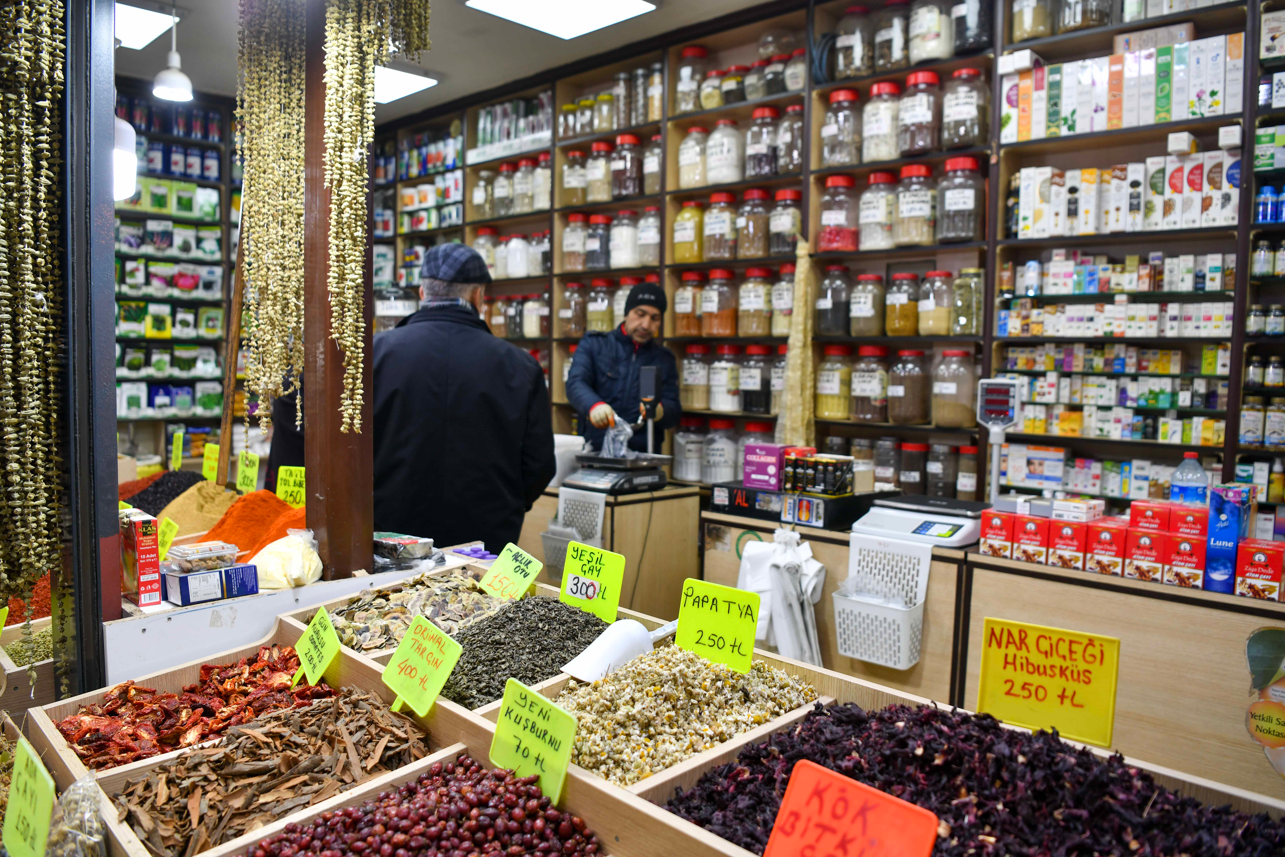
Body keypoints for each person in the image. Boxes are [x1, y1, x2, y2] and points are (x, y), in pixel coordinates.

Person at [372, 244, 555, 552]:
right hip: (485, 539)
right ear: (478, 297)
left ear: (422, 293)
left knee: (389, 603)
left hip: (390, 538)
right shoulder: (520, 366)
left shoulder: (374, 355)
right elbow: (539, 465)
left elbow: (348, 450)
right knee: (483, 602)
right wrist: (505, 505)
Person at [565, 280, 680, 452]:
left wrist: (661, 412)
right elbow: (576, 383)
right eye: (640, 314)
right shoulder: (595, 345)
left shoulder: (664, 359)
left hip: (643, 455)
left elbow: (674, 410)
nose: (646, 325)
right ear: (626, 313)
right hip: (596, 449)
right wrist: (594, 405)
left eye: (655, 318)